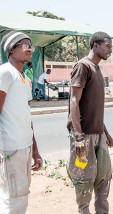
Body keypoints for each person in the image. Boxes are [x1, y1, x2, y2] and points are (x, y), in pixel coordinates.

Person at [67, 31, 113, 214]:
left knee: (103, 178)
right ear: (96, 45)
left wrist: (106, 132)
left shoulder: (96, 69)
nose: (109, 50)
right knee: (84, 181)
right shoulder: (83, 66)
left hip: (98, 134)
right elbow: (73, 101)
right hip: (83, 136)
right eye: (107, 46)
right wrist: (78, 137)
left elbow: (93, 106)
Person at [0, 31, 43, 213]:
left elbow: (26, 116)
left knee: (20, 196)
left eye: (30, 46)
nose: (30, 49)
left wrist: (35, 150)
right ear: (12, 49)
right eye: (25, 46)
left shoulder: (24, 78)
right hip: (11, 147)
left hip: (24, 147)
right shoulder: (5, 73)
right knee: (14, 199)